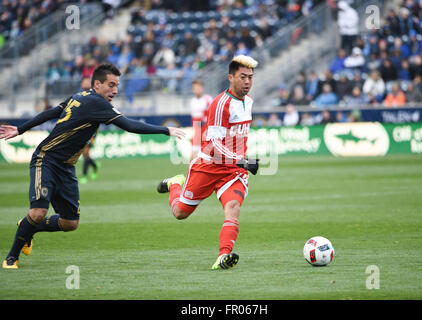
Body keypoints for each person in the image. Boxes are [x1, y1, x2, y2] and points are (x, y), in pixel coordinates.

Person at [1, 63, 186, 269]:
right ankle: (11, 258)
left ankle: (28, 228)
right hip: (46, 159)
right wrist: (165, 130)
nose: (115, 90)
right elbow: (130, 125)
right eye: (111, 85)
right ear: (97, 84)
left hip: (67, 167)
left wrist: (20, 128)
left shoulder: (81, 95)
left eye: (117, 86)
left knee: (70, 223)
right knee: (37, 213)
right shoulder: (97, 103)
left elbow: (54, 111)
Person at [156, 55, 259, 270]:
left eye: (250, 77)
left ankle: (223, 256)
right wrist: (239, 159)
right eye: (243, 77)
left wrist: (239, 161)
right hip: (208, 166)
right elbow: (212, 144)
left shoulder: (248, 102)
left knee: (232, 208)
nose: (248, 81)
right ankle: (176, 183)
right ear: (230, 77)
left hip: (233, 172)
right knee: (180, 213)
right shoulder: (220, 105)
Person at [190, 79, 213, 159]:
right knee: (194, 154)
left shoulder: (208, 99)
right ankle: (192, 170)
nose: (197, 90)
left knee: (208, 155)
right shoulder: (193, 101)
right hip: (197, 130)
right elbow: (193, 118)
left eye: (199, 88)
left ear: (202, 88)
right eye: (195, 88)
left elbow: (212, 115)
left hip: (206, 130)